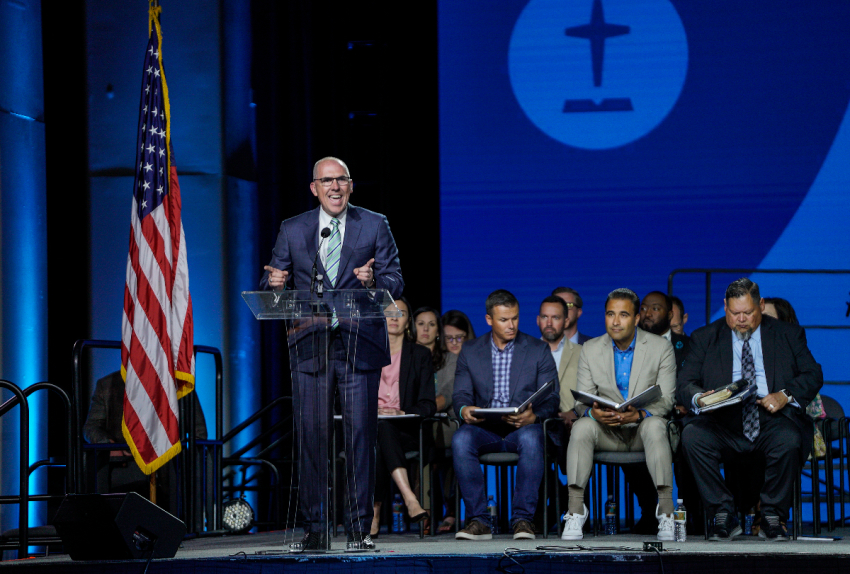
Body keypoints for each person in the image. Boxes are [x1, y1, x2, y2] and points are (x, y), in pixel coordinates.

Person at [260, 156, 404, 551]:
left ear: (351, 185)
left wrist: (374, 280)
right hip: (311, 345)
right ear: (314, 188)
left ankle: (358, 530)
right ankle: (316, 528)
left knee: (360, 438)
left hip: (360, 345)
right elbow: (271, 282)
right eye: (327, 181)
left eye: (341, 180)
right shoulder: (293, 229)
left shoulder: (374, 224)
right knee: (312, 439)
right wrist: (275, 284)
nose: (335, 187)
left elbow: (396, 280)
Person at [677, 278, 823, 541]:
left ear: (761, 305)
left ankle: (772, 516)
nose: (741, 319)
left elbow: (813, 374)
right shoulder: (705, 337)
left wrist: (784, 395)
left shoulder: (788, 334)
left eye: (748, 312)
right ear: (725, 307)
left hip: (771, 418)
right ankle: (722, 513)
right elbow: (685, 383)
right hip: (722, 420)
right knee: (692, 436)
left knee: (789, 438)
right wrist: (700, 399)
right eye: (735, 313)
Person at [562, 289, 677, 542]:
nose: (615, 321)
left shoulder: (661, 347)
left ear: (636, 319)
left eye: (623, 315)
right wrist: (593, 413)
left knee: (656, 425)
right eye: (610, 314)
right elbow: (581, 400)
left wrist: (640, 415)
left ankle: (666, 511)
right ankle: (575, 510)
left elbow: (667, 400)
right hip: (607, 430)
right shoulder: (590, 348)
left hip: (642, 430)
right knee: (581, 427)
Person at [452, 289, 559, 540]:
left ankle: (523, 520)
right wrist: (464, 409)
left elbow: (552, 398)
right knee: (461, 439)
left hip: (523, 428)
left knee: (532, 438)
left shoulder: (538, 350)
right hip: (484, 428)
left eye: (515, 318)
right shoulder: (470, 350)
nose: (511, 325)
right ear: (489, 319)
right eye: (504, 320)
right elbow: (461, 394)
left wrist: (534, 417)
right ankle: (479, 521)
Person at [83, 370, 207, 515]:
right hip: (124, 470)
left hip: (169, 474)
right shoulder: (107, 384)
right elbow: (91, 427)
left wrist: (177, 455)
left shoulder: (180, 383)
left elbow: (199, 434)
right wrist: (108, 445)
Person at [371, 297, 436, 536]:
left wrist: (403, 412)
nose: (394, 317)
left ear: (408, 321)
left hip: (407, 432)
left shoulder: (420, 355)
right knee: (380, 430)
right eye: (389, 312)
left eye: (400, 313)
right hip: (370, 429)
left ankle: (375, 512)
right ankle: (410, 498)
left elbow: (428, 404)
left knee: (384, 432)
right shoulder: (366, 353)